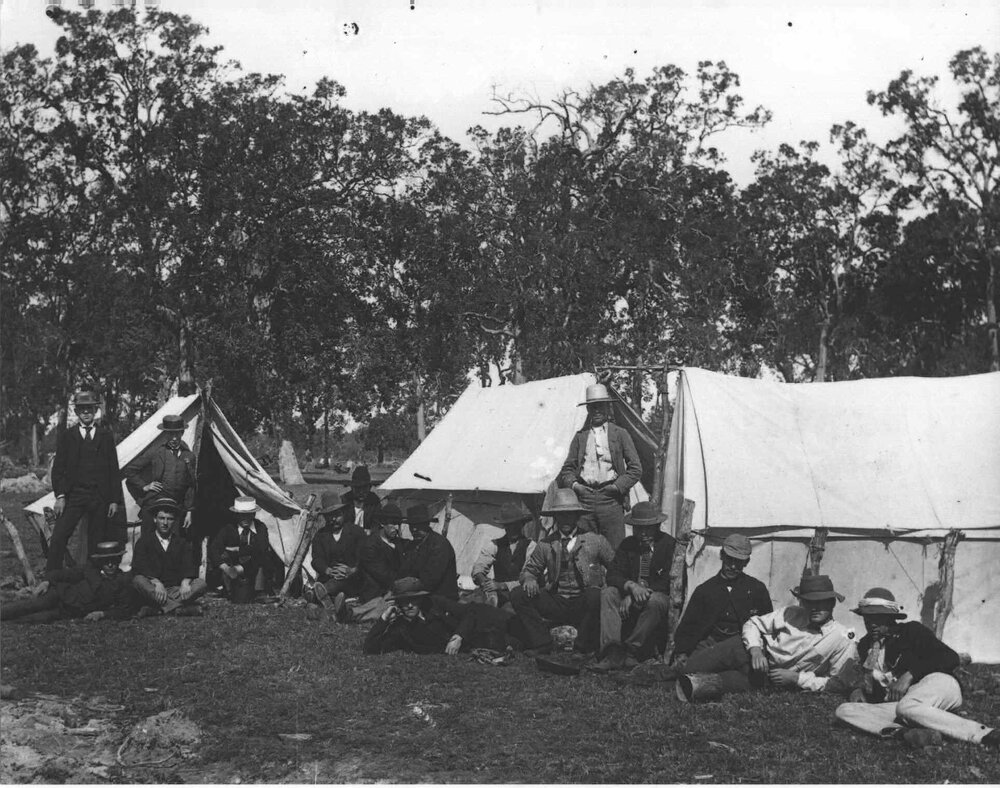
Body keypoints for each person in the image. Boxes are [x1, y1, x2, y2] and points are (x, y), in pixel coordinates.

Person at [834, 587, 999, 748]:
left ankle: (984, 734)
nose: (872, 624)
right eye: (867, 618)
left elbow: (949, 657)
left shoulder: (911, 631)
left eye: (878, 618)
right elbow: (875, 684)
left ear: (891, 617)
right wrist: (859, 690)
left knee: (907, 707)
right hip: (904, 704)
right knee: (844, 710)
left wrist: (910, 675)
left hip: (938, 684)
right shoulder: (865, 646)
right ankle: (907, 734)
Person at [674, 574, 857, 701]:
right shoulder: (792, 613)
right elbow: (752, 623)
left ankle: (669, 684)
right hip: (746, 650)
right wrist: (755, 650)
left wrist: (797, 679)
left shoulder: (841, 637)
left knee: (700, 685)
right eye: (810, 602)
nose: (815, 608)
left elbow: (838, 683)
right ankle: (657, 677)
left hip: (767, 677)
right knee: (689, 667)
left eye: (821, 603)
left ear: (832, 604)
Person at [509, 488, 615, 655]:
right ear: (555, 517)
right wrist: (529, 579)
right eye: (561, 515)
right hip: (556, 600)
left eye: (570, 514)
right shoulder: (546, 544)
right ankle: (542, 642)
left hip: (584, 600)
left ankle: (581, 647)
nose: (565, 519)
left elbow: (616, 568)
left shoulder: (595, 540)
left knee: (595, 596)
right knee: (517, 594)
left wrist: (608, 587)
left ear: (577, 516)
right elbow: (530, 570)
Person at [589, 501, 676, 672]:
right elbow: (613, 574)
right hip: (630, 593)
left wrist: (640, 592)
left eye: (648, 528)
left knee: (655, 601)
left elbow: (667, 581)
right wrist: (630, 586)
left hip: (657, 595)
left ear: (657, 526)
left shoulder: (669, 545)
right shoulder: (628, 545)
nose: (643, 533)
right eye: (638, 528)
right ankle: (611, 652)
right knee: (608, 592)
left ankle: (632, 650)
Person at [46, 389, 124, 571]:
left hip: (99, 497)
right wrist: (60, 496)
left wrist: (113, 499)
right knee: (59, 535)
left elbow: (114, 469)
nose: (86, 412)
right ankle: (51, 578)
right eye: (82, 409)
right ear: (76, 412)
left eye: (89, 408)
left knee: (95, 540)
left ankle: (91, 580)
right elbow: (58, 469)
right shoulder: (67, 436)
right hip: (74, 495)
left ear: (96, 410)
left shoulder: (105, 436)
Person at [558, 383, 642, 549]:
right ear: (588, 409)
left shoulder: (620, 434)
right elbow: (567, 470)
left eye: (600, 406)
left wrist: (616, 487)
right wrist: (576, 487)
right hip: (584, 500)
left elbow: (636, 469)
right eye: (593, 407)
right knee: (585, 548)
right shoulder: (580, 437)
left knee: (614, 549)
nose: (597, 410)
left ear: (607, 407)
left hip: (611, 500)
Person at [670, 534, 773, 666]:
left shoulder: (757, 589)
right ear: (722, 556)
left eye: (739, 562)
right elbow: (689, 625)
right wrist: (682, 652)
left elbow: (767, 624)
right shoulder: (705, 590)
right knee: (692, 666)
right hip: (710, 645)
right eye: (730, 560)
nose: (733, 567)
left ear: (746, 563)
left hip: (742, 646)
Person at [363, 577, 521, 656]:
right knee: (519, 644)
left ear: (421, 599)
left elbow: (469, 612)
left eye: (414, 601)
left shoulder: (435, 603)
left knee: (521, 626)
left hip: (482, 620)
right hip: (482, 640)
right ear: (398, 604)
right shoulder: (401, 629)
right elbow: (370, 649)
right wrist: (383, 619)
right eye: (405, 602)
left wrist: (458, 636)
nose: (410, 606)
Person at [1, 542, 139, 623]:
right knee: (28, 606)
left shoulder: (122, 582)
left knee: (31, 619)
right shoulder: (89, 569)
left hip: (69, 612)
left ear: (119, 561)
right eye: (106, 561)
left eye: (113, 561)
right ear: (100, 561)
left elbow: (124, 610)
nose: (110, 565)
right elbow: (64, 574)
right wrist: (47, 581)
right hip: (58, 595)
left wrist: (103, 614)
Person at [124, 413, 197, 539]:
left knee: (174, 544)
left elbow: (191, 486)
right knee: (149, 541)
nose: (174, 438)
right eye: (170, 434)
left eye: (177, 434)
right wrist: (144, 486)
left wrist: (189, 511)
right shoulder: (156, 452)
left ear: (182, 433)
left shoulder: (189, 456)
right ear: (165, 434)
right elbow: (130, 470)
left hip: (176, 507)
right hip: (155, 503)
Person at [131, 496, 207, 617]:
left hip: (176, 589)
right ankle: (179, 609)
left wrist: (185, 582)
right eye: (161, 518)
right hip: (154, 589)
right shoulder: (144, 542)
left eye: (169, 519)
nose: (165, 523)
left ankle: (159, 609)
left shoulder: (182, 542)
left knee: (200, 584)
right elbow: (139, 566)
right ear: (155, 519)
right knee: (138, 581)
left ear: (175, 520)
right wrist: (156, 582)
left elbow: (189, 565)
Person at [208, 495, 284, 603]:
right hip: (231, 568)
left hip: (254, 567)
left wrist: (238, 550)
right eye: (241, 515)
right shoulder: (228, 528)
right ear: (236, 515)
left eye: (248, 515)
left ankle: (259, 589)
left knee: (262, 556)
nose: (245, 519)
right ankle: (229, 588)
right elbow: (213, 549)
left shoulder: (260, 527)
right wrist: (226, 568)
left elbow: (262, 548)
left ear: (254, 514)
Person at [345, 503, 407, 623]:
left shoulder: (398, 543)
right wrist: (402, 584)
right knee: (385, 606)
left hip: (393, 589)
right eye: (393, 523)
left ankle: (350, 614)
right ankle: (350, 614)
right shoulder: (370, 545)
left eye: (398, 524)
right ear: (382, 523)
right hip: (375, 592)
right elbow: (383, 574)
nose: (397, 528)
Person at [309, 490, 367, 615]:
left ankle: (318, 594)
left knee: (341, 583)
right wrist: (328, 570)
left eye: (337, 515)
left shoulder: (356, 532)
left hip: (352, 578)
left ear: (343, 514)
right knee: (333, 583)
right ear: (324, 517)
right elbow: (316, 560)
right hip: (330, 576)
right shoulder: (321, 536)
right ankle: (329, 599)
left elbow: (364, 557)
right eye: (329, 516)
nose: (333, 519)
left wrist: (352, 570)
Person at [471, 501, 537, 608]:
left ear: (522, 524)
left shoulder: (531, 546)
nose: (512, 529)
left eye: (515, 525)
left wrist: (503, 585)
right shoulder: (495, 544)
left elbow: (529, 576)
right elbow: (479, 566)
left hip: (521, 595)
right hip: (499, 594)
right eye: (508, 526)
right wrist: (483, 581)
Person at [398, 504, 459, 600]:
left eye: (418, 526)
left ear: (426, 525)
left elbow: (430, 579)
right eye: (412, 526)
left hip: (441, 599)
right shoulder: (414, 544)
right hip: (420, 596)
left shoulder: (439, 544)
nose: (414, 529)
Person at [341, 466, 381, 533]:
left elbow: (376, 522)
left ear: (370, 487)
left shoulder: (374, 501)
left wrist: (370, 531)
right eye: (358, 488)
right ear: (352, 487)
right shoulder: (344, 500)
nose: (361, 492)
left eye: (365, 488)